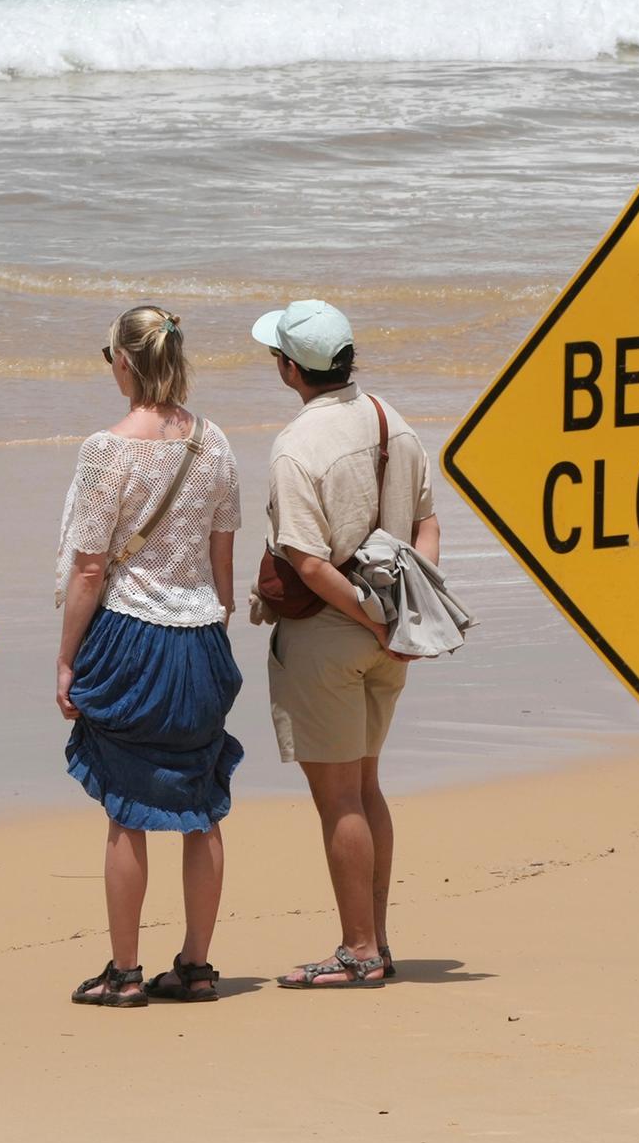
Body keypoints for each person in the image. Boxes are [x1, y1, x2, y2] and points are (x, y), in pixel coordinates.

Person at [249, 298, 439, 989]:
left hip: (334, 636)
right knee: (366, 786)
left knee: (339, 801)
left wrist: (369, 620)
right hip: (389, 638)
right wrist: (404, 621)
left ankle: (359, 950)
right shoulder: (394, 420)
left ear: (291, 370)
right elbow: (426, 526)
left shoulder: (297, 446)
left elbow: (308, 563)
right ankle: (377, 940)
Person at [56, 304, 243, 1007]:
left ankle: (125, 972)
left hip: (132, 637)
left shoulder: (107, 449)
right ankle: (196, 965)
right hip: (199, 638)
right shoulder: (215, 441)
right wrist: (216, 628)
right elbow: (223, 553)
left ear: (124, 363)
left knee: (126, 808)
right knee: (204, 805)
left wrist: (67, 659)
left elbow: (86, 569)